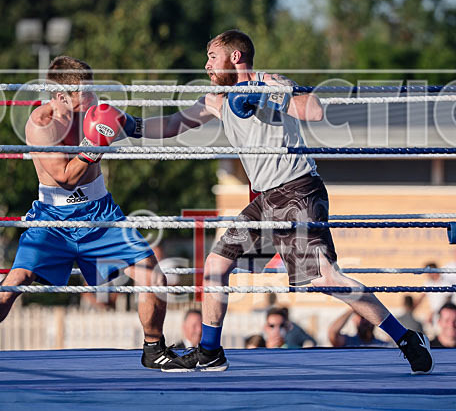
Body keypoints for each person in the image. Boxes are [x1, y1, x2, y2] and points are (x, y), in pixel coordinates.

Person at [144, 30, 432, 373]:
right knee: (216, 267)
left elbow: (315, 111)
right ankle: (210, 351)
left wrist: (269, 97)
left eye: (212, 57)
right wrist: (127, 127)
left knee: (327, 279)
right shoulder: (215, 100)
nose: (206, 65)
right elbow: (174, 124)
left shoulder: (271, 81)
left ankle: (405, 338)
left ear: (235, 57)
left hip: (298, 191)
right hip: (264, 201)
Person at [0, 56, 176, 373]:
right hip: (52, 218)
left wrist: (200, 113)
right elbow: (65, 176)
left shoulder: (95, 108)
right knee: (16, 280)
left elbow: (146, 127)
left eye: (90, 90)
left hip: (100, 213)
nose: (90, 98)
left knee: (152, 274)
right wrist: (95, 143)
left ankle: (154, 349)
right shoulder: (41, 125)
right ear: (59, 96)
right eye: (82, 92)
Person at [414, 262, 450, 329]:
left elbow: (447, 299)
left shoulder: (445, 281)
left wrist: (434, 312)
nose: (427, 274)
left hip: (444, 314)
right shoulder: (428, 283)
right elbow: (422, 296)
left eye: (428, 272)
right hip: (434, 314)